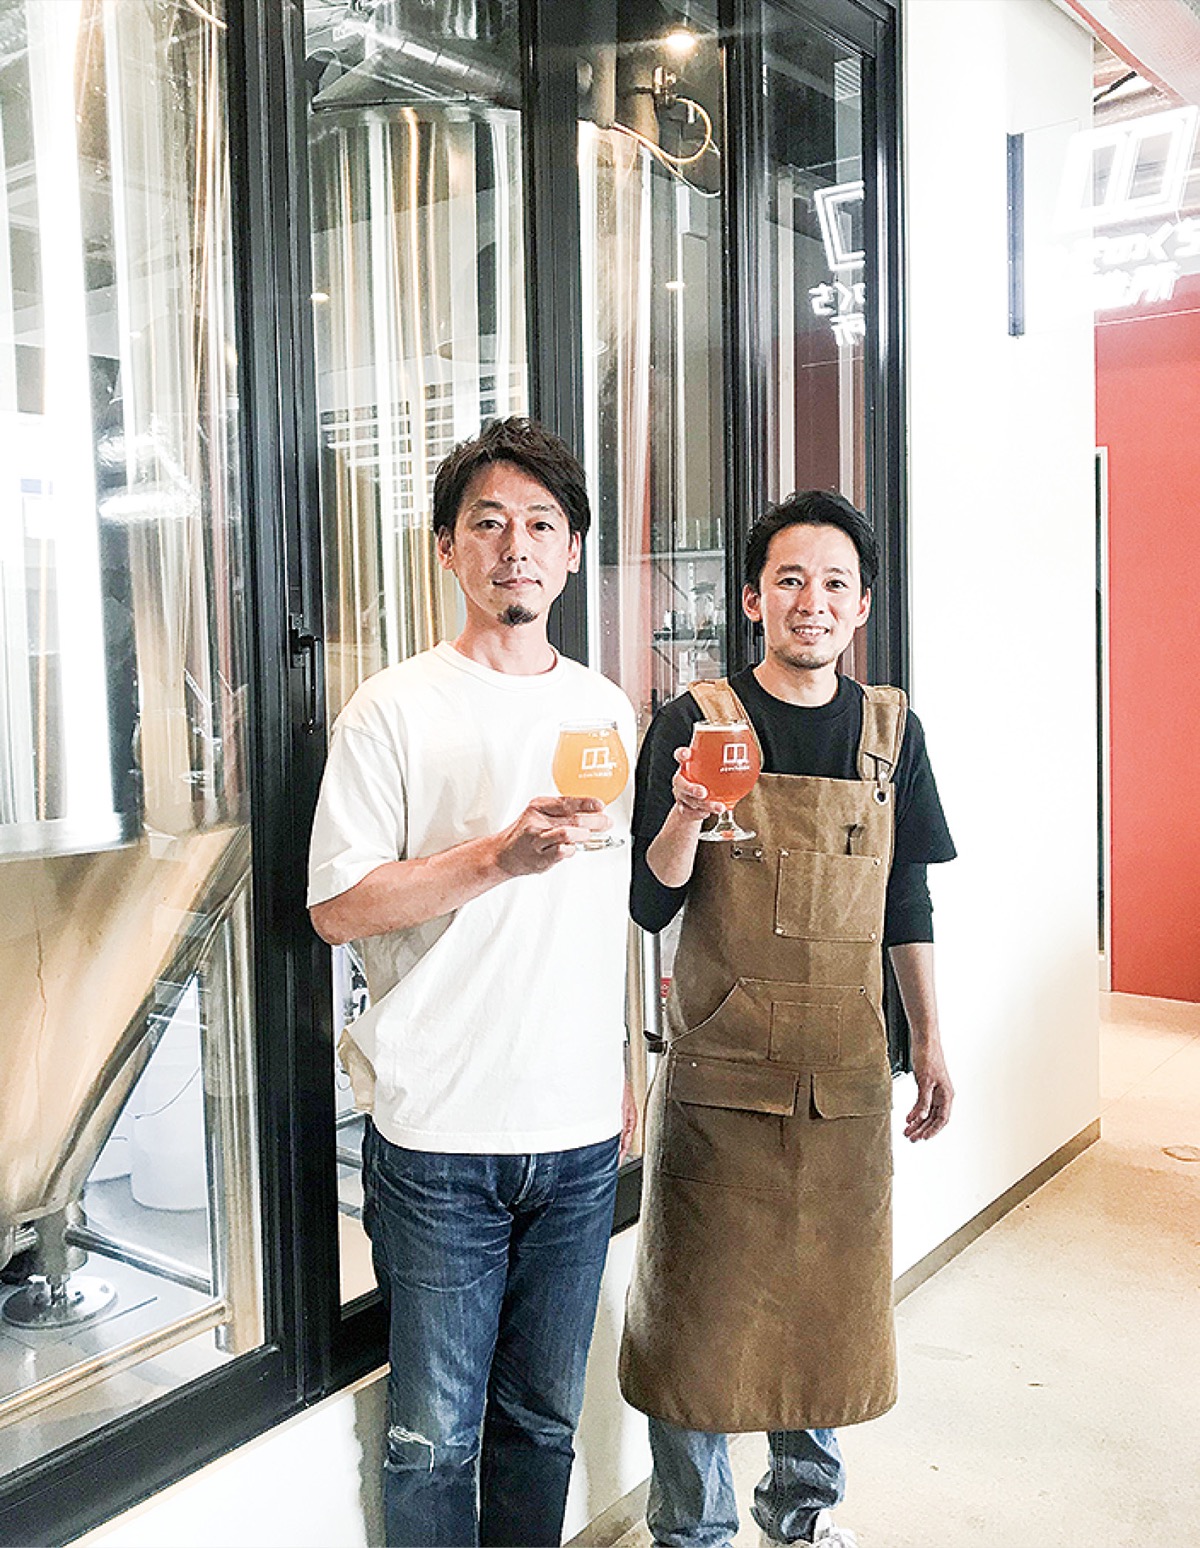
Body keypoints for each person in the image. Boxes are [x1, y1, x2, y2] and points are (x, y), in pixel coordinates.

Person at [308, 417, 637, 1548]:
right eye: (488, 523)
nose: (516, 546)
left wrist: (619, 1064)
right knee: (432, 1442)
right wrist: (497, 857)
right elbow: (338, 908)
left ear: (573, 552)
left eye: (542, 524)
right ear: (446, 548)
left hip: (578, 1131)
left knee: (542, 1425)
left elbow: (603, 916)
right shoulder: (393, 709)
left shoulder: (607, 708)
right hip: (440, 1131)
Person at [619, 490, 956, 1548]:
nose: (813, 601)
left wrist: (929, 1038)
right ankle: (694, 1531)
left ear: (862, 607)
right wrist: (686, 812)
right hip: (719, 1078)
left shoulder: (892, 732)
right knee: (696, 1320)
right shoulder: (697, 722)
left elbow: (906, 901)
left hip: (845, 1070)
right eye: (790, 580)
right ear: (754, 599)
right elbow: (650, 900)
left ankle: (803, 1515)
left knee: (824, 1308)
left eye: (835, 583)